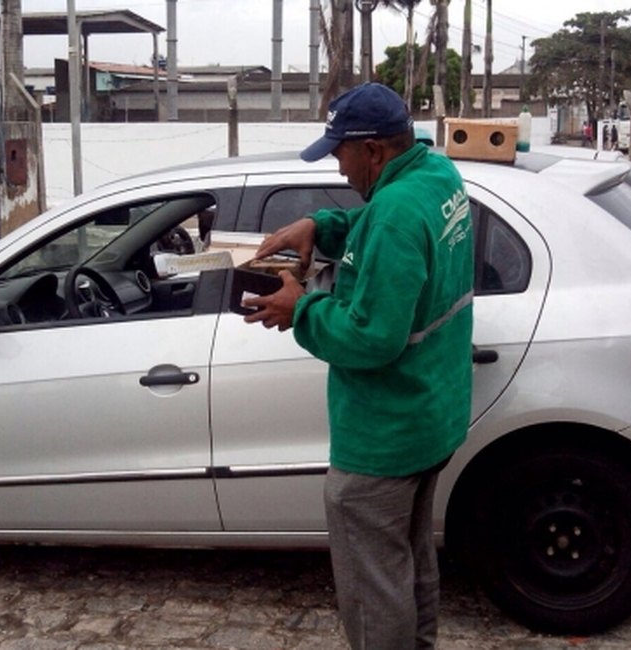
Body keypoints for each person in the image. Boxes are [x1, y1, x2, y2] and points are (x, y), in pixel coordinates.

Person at [242, 82, 474, 650]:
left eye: (340, 152)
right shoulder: (437, 177)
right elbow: (388, 233)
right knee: (409, 561)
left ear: (373, 150)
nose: (339, 168)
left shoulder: (395, 211)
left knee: (374, 589)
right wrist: (322, 225)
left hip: (383, 435)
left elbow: (371, 338)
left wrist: (303, 309)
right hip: (430, 416)